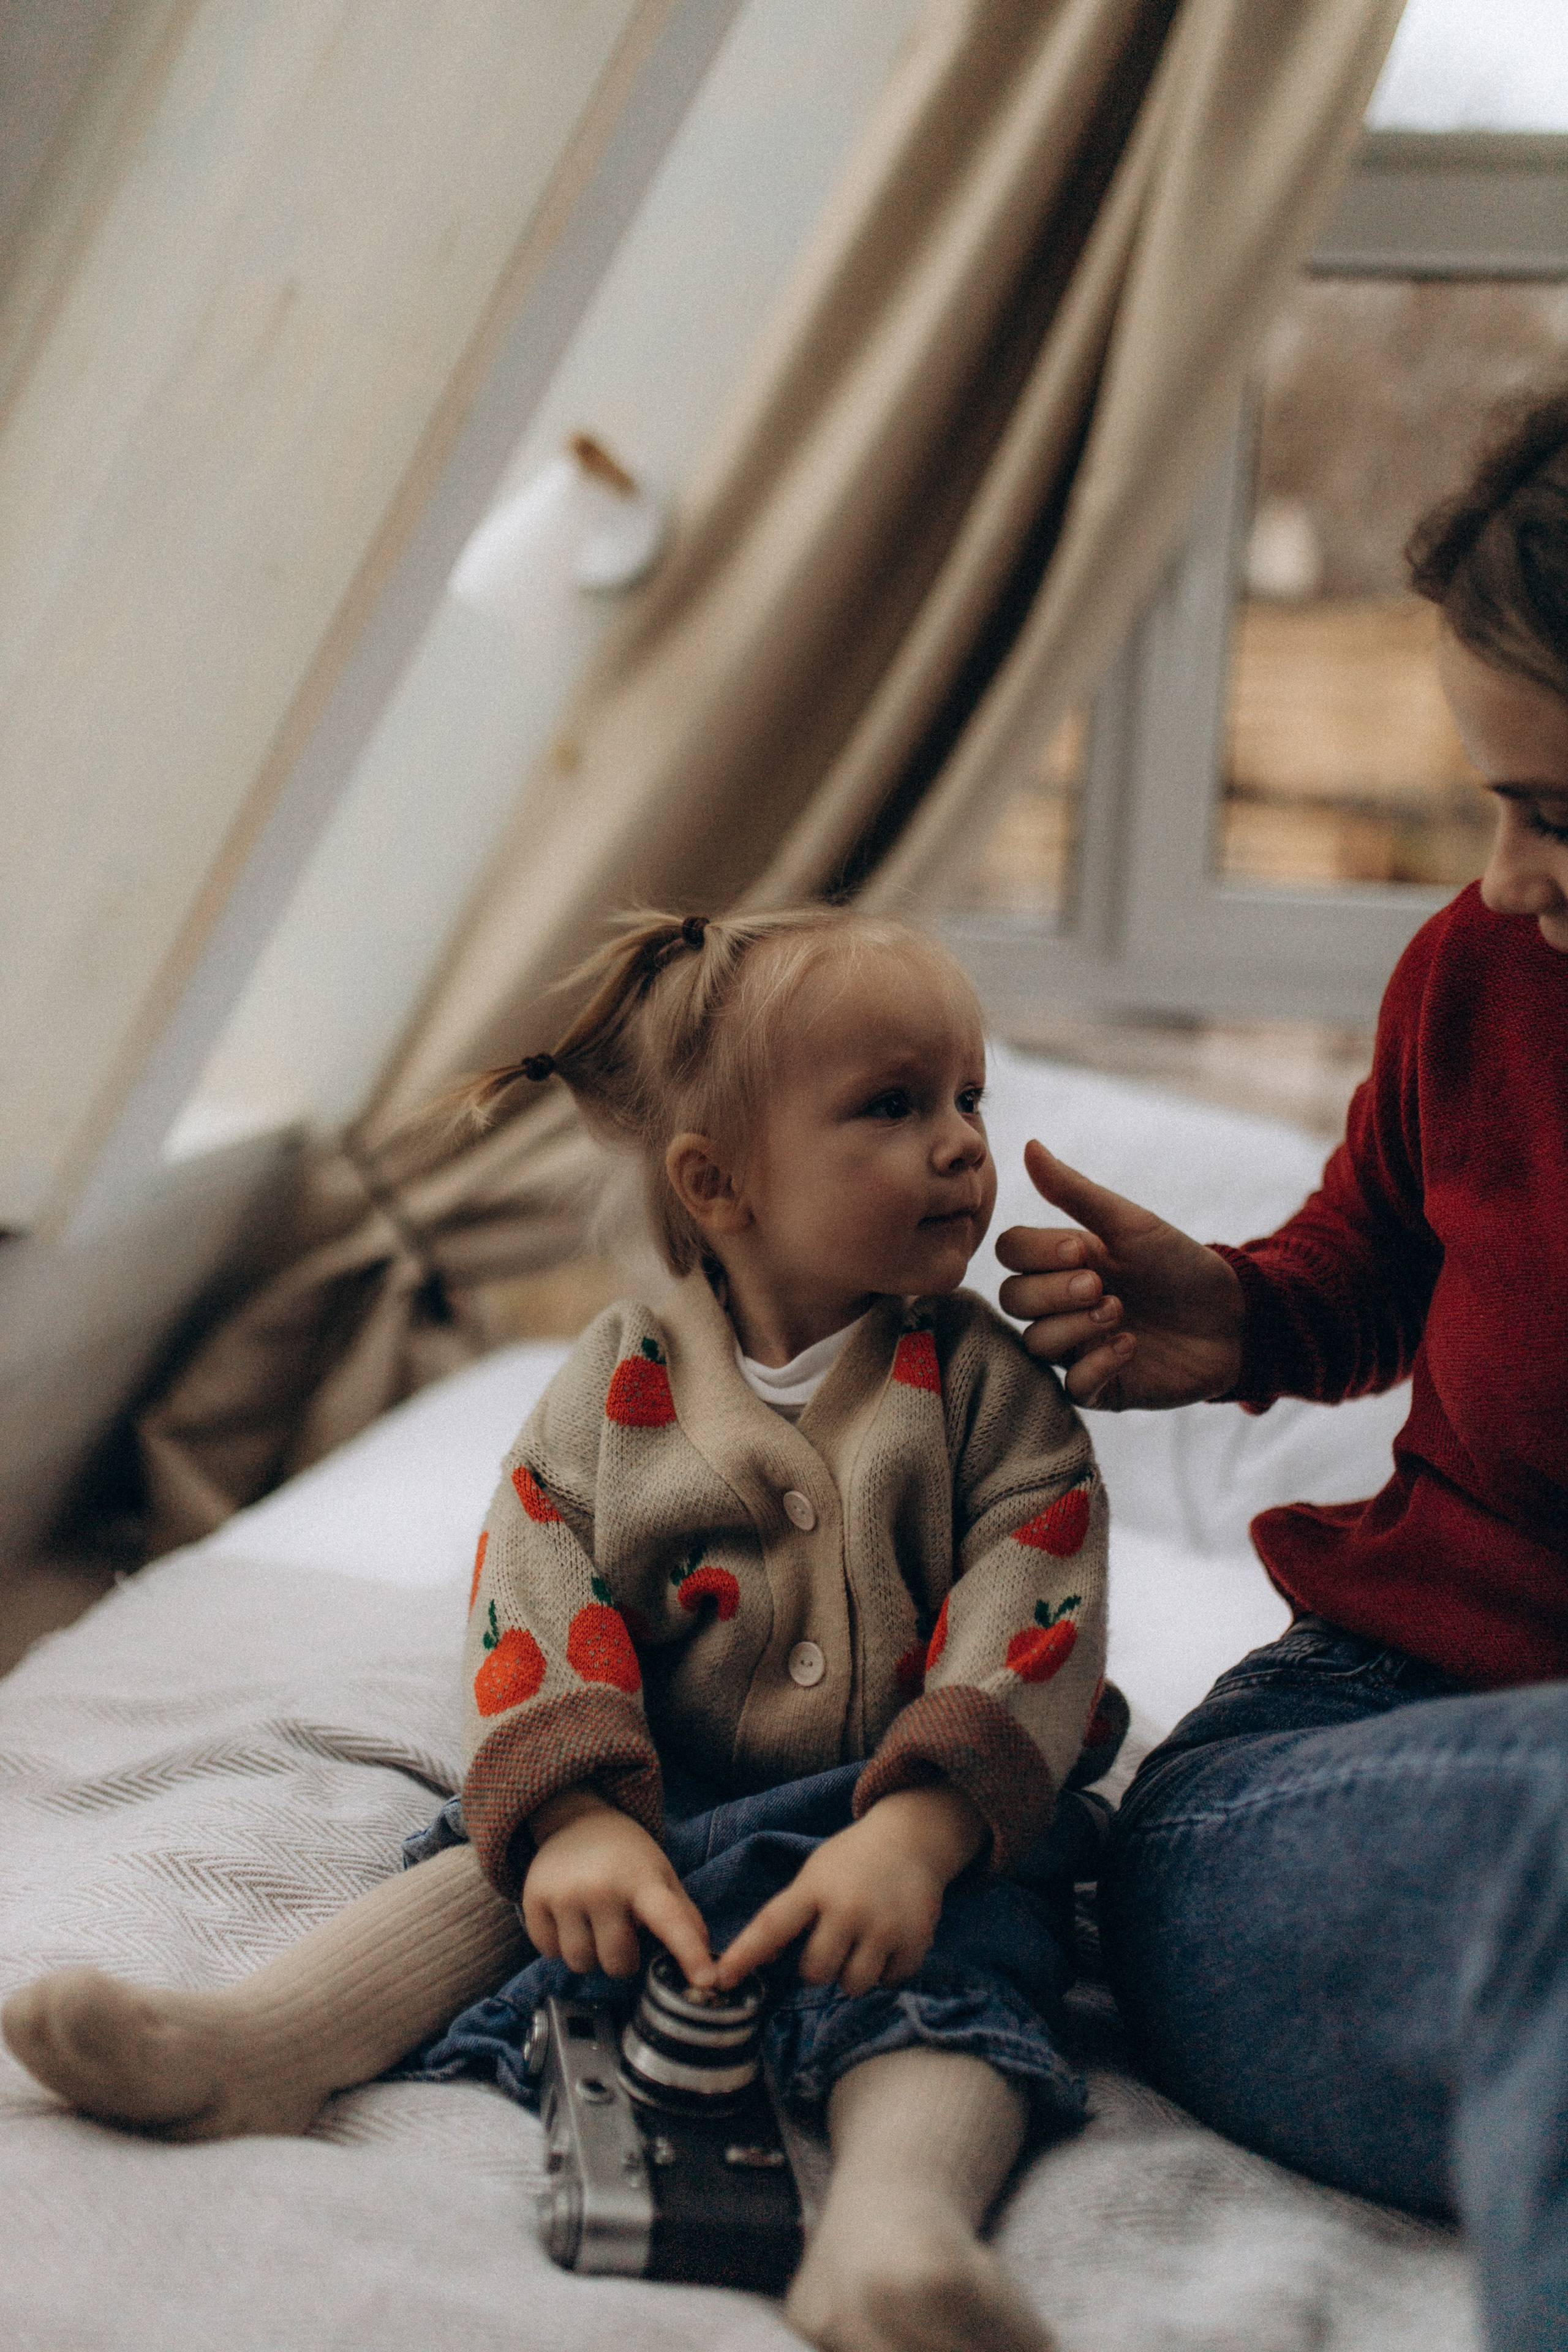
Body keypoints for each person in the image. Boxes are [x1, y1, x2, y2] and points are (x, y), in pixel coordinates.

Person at [5, 904, 1121, 2352]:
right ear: (717, 1181)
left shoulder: (992, 1394)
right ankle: (261, 2046)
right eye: (894, 1105)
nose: (963, 1143)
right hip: (656, 1793)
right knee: (492, 1871)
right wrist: (579, 1813)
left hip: (903, 1820)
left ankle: (889, 2236)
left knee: (963, 1976)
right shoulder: (614, 1384)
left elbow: (1036, 1593)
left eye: (968, 1096)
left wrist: (922, 1832)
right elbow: (530, 1587)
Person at [993, 385, 1568, 2352]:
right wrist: (1240, 1316)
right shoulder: (1481, 982)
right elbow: (1378, 1263)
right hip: (1336, 1784)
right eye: (1494, 798)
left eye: (1560, 814)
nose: (1505, 873)